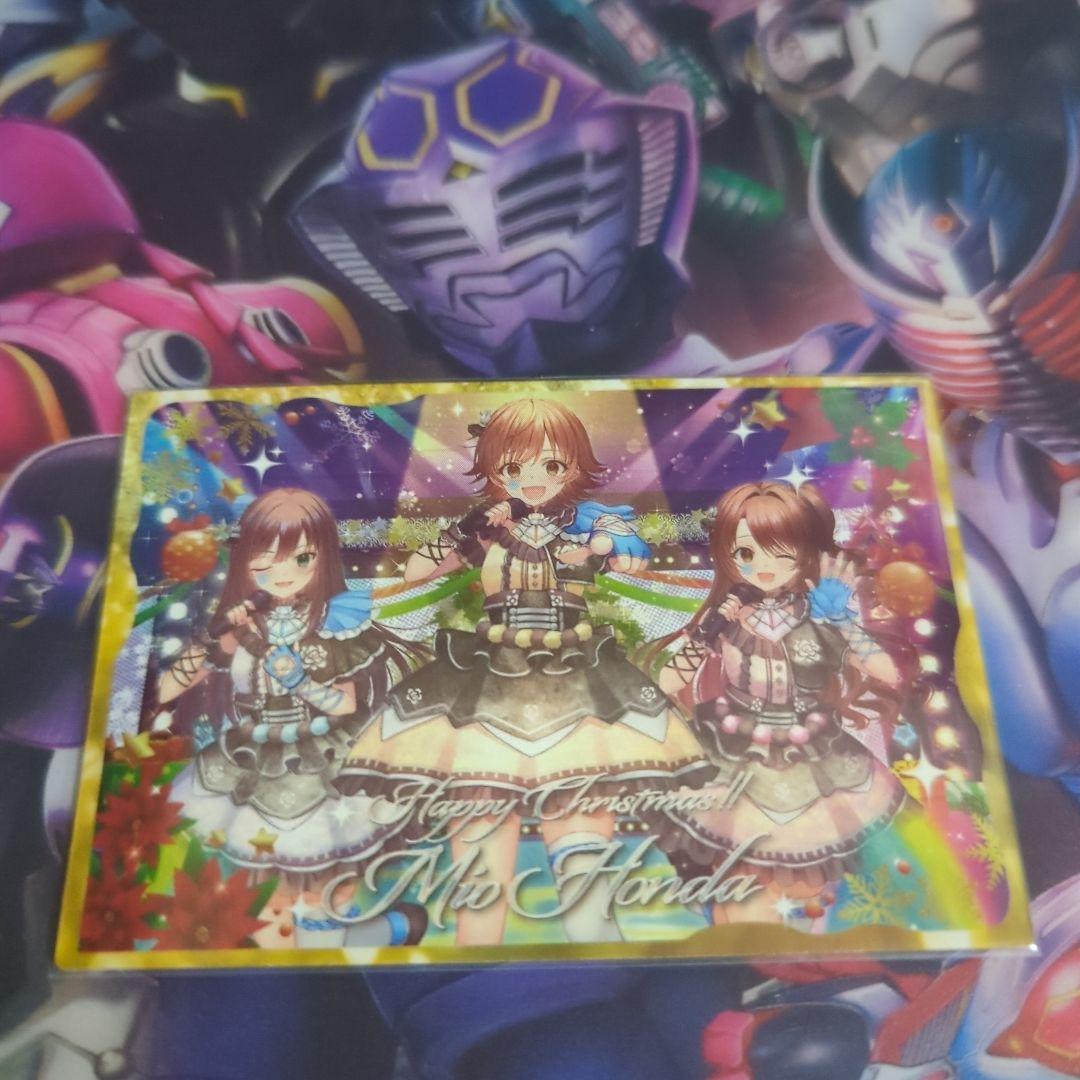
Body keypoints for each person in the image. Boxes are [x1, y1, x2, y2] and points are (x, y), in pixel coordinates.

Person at [337, 399, 711, 945]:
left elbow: (631, 554)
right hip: (488, 677)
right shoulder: (487, 528)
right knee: (480, 835)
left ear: (575, 466)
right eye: (513, 468)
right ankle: (476, 946)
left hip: (578, 679)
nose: (532, 479)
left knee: (582, 841)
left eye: (552, 465)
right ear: (493, 469)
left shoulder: (591, 522)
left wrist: (606, 542)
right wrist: (465, 529)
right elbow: (415, 573)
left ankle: (597, 948)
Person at [158, 486, 425, 948]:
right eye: (265, 560)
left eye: (301, 559)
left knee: (327, 882)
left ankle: (363, 938)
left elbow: (346, 703)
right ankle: (318, 946)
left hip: (323, 757)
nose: (283, 573)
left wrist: (302, 683)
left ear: (323, 558)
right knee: (268, 883)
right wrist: (214, 640)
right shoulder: (240, 626)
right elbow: (168, 689)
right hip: (253, 758)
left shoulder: (336, 622)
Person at [650, 479, 910, 923]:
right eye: (746, 552)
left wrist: (844, 623)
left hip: (812, 751)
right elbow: (669, 679)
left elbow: (889, 673)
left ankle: (796, 946)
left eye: (781, 551)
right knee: (738, 871)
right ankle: (735, 936)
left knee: (807, 877)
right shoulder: (727, 618)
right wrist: (707, 631)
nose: (764, 566)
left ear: (804, 552)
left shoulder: (819, 616)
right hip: (733, 748)